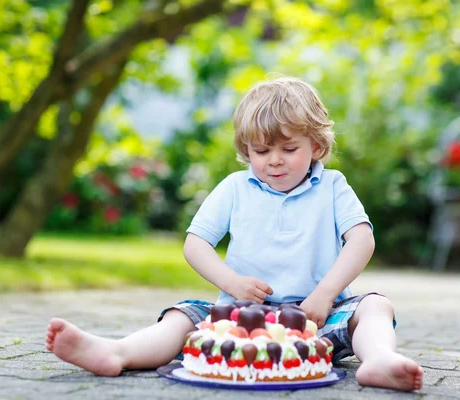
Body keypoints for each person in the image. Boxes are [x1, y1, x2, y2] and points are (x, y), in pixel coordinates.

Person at [45, 76, 423, 391]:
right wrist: (233, 283)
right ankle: (117, 352)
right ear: (246, 149)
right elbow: (195, 244)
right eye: (261, 151)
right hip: (237, 320)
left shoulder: (333, 186)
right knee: (183, 316)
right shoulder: (235, 188)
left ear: (317, 146)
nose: (274, 160)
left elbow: (362, 240)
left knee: (374, 305)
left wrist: (325, 295)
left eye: (289, 148)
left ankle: (379, 361)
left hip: (318, 324)